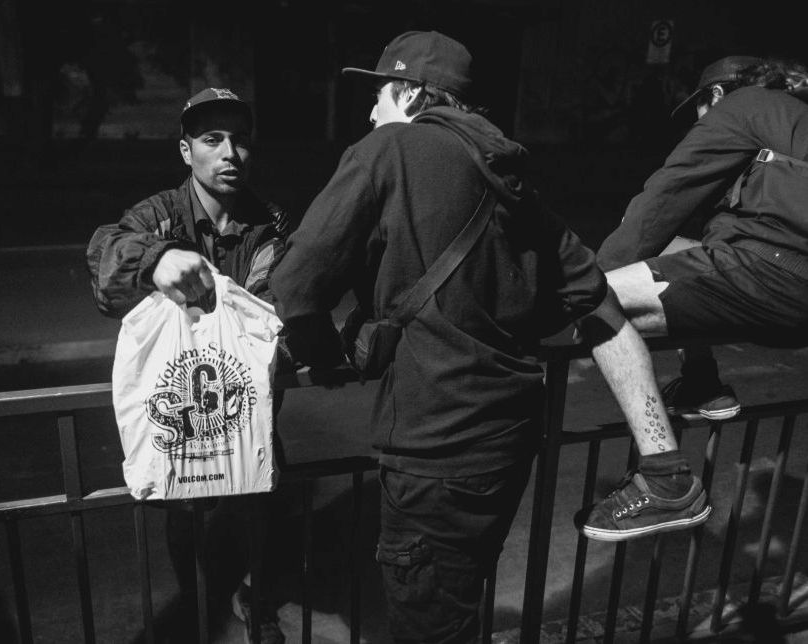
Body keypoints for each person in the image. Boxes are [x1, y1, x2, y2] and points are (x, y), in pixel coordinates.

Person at [270, 30, 710, 642]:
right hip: (506, 444)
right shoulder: (512, 175)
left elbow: (296, 281)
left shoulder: (390, 148)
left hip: (433, 447)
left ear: (412, 92)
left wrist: (324, 351)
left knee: (428, 622)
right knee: (460, 597)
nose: (370, 111)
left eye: (378, 94)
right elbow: (593, 296)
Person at [86, 87, 289, 643]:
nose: (229, 153)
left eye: (241, 140)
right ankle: (200, 605)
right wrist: (155, 259)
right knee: (188, 511)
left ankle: (256, 600)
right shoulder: (160, 215)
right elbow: (105, 258)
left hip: (250, 411)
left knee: (261, 501)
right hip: (186, 416)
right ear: (185, 151)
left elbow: (287, 305)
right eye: (212, 139)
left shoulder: (270, 223)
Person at [597, 56, 808, 421]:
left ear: (715, 94)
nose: (699, 119)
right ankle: (701, 383)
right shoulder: (791, 117)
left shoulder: (743, 104)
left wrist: (591, 280)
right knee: (684, 254)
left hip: (774, 275)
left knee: (596, 302)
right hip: (782, 272)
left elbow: (662, 200)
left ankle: (662, 467)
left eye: (699, 107)